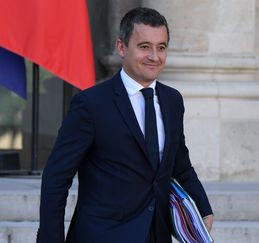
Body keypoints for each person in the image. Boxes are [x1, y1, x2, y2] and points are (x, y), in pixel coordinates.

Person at [37, 7, 213, 243]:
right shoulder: (90, 104)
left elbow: (180, 164)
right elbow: (56, 178)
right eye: (144, 47)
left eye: (161, 47)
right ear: (121, 47)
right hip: (102, 236)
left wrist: (202, 206)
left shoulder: (173, 101)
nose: (154, 56)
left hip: (157, 235)